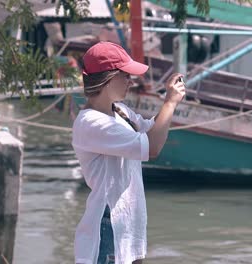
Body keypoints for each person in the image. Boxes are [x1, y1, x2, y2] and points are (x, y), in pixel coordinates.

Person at [71, 41, 186, 264]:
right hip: (109, 222)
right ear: (107, 78)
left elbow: (153, 131)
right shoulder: (90, 122)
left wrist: (168, 101)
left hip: (128, 221)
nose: (131, 82)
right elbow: (152, 147)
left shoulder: (120, 111)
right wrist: (170, 103)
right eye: (125, 75)